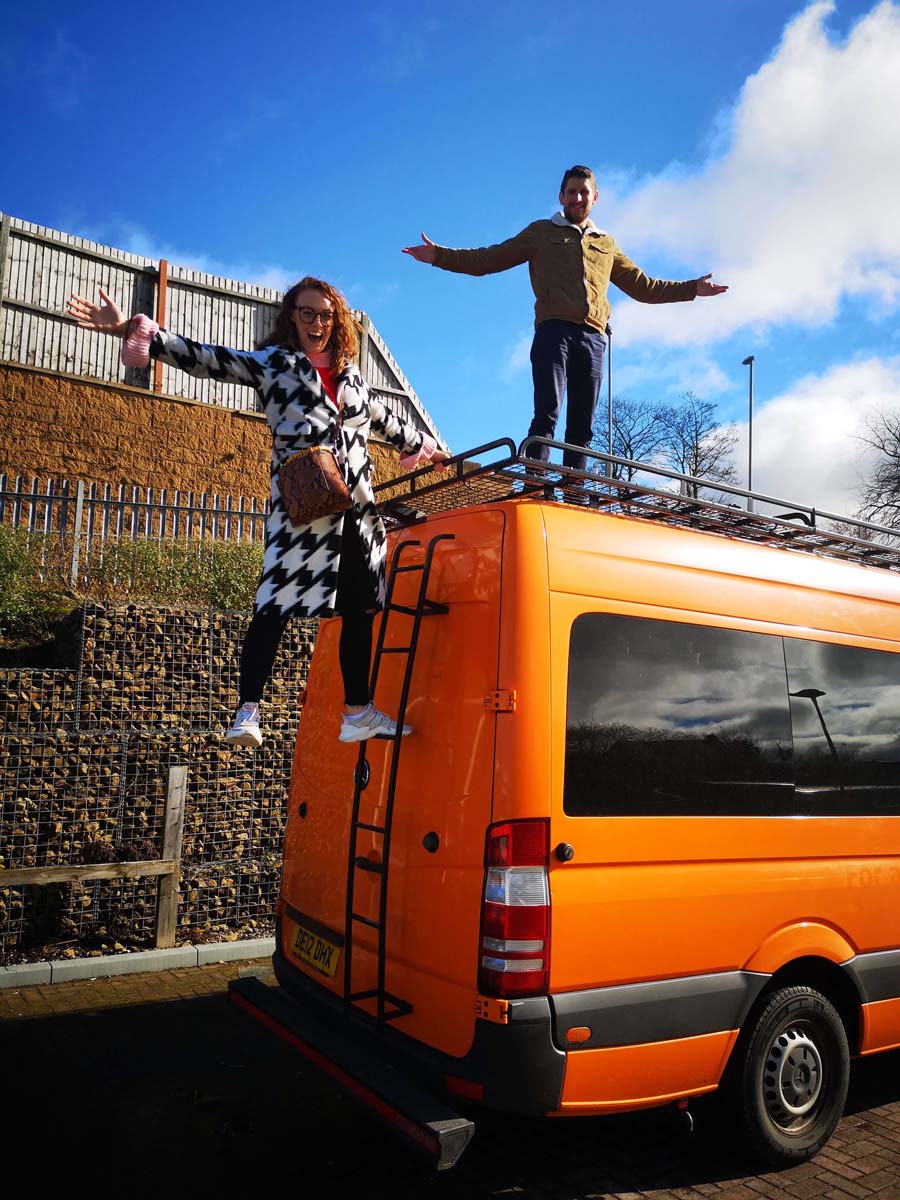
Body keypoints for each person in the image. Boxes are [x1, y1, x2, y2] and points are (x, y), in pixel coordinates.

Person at [67, 278, 449, 749]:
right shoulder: (276, 366)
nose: (317, 323)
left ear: (338, 321)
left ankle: (357, 712)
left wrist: (431, 450)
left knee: (361, 608)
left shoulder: (352, 379)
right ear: (291, 316)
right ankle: (248, 709)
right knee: (275, 606)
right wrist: (134, 329)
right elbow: (211, 360)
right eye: (307, 313)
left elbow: (389, 421)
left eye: (326, 315)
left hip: (359, 510)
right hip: (305, 506)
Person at [403, 164, 728, 473]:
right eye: (571, 192)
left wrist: (692, 289)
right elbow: (488, 259)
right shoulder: (541, 233)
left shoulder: (606, 243)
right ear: (561, 197)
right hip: (553, 333)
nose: (577, 198)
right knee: (547, 413)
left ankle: (574, 491)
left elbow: (644, 287)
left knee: (582, 426)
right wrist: (439, 256)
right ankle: (537, 481)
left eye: (584, 192)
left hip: (593, 339)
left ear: (595, 198)